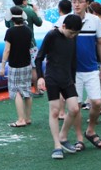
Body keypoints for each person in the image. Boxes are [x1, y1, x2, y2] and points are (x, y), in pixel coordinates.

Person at [35, 14, 83, 160]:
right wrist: (40, 77)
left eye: (75, 33)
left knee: (74, 108)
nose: (73, 36)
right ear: (63, 26)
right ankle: (57, 145)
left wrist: (73, 79)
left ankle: (63, 136)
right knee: (55, 111)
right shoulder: (52, 35)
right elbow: (39, 57)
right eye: (71, 33)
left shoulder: (73, 37)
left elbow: (73, 59)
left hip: (67, 78)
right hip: (52, 78)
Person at [69, 0, 101, 150]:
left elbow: (100, 43)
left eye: (80, 1)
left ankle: (90, 130)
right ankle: (79, 138)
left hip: (91, 68)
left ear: (87, 3)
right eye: (74, 1)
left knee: (97, 103)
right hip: (73, 70)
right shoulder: (65, 20)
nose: (77, 4)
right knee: (75, 106)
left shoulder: (95, 21)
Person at [0, 7, 33, 128]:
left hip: (15, 65)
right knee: (27, 91)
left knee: (16, 92)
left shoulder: (10, 32)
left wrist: (2, 66)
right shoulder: (28, 30)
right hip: (27, 64)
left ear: (11, 18)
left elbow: (7, 49)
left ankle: (20, 119)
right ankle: (28, 118)